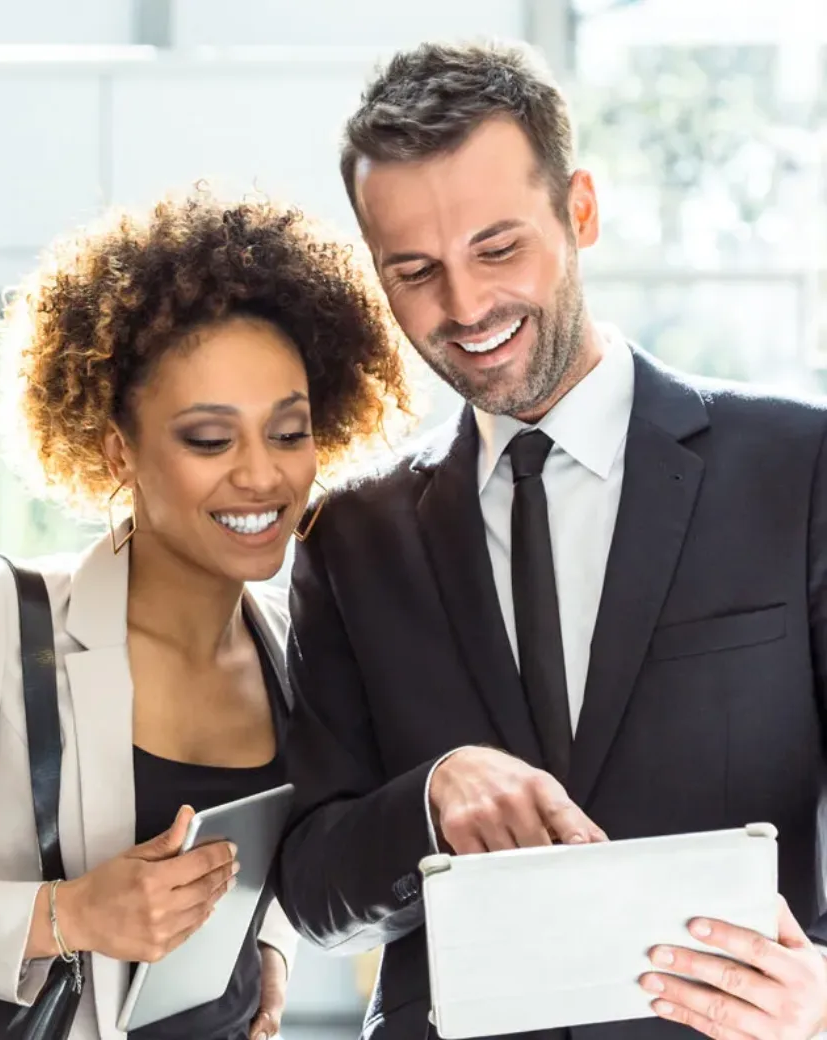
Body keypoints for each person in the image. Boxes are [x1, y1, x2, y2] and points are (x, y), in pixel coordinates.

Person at [274, 39, 827, 1040]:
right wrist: (429, 798)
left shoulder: (797, 468)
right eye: (414, 271)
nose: (464, 307)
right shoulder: (347, 537)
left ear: (580, 210)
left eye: (497, 249)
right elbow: (315, 892)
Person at [0, 192, 409, 1040]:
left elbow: (274, 850)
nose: (262, 476)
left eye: (289, 432)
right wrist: (68, 914)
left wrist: (265, 949)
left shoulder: (289, 644)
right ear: (120, 450)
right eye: (209, 439)